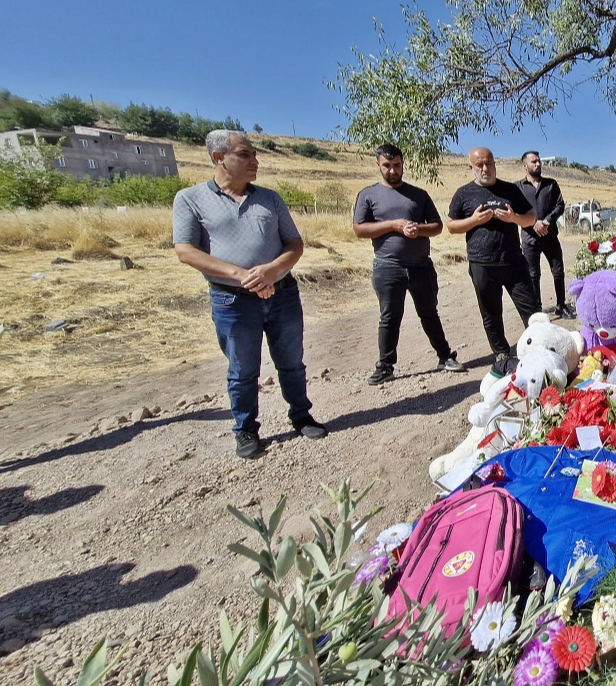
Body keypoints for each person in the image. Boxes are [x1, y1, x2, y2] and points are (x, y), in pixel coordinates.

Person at [172, 129, 327, 459]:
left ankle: (301, 416)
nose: (255, 160)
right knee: (242, 370)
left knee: (291, 363)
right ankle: (245, 430)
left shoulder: (270, 198)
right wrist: (241, 275)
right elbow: (185, 250)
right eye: (245, 154)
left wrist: (271, 271)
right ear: (219, 158)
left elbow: (294, 244)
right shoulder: (190, 199)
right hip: (232, 301)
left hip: (282, 294)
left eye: (254, 154)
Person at [353, 144, 466, 385]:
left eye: (396, 165)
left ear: (403, 165)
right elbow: (359, 229)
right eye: (387, 165)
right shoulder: (368, 195)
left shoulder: (419, 195)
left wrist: (418, 229)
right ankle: (385, 365)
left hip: (420, 266)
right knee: (389, 317)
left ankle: (445, 356)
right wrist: (393, 225)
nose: (392, 170)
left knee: (429, 313)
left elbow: (436, 226)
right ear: (378, 165)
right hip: (387, 266)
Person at [448, 147, 542, 370]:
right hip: (482, 263)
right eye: (479, 165)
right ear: (470, 167)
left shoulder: (510, 190)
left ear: (494, 163)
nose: (484, 168)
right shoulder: (463, 194)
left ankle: (541, 345)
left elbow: (530, 218)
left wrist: (513, 218)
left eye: (488, 163)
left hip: (513, 261)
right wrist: (473, 221)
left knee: (531, 308)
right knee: (491, 312)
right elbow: (452, 226)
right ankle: (501, 353)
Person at [516, 151, 574, 319]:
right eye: (534, 161)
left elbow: (560, 205)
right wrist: (533, 223)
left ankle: (561, 305)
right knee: (533, 275)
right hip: (529, 239)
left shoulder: (551, 184)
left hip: (550, 236)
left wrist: (547, 221)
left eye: (539, 161)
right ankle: (537, 310)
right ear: (525, 166)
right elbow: (516, 213)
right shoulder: (518, 188)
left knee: (558, 271)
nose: (538, 164)